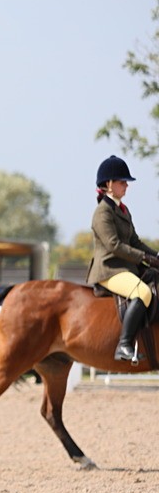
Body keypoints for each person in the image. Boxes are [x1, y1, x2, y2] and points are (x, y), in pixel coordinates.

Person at [88, 155, 159, 361]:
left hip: (126, 268)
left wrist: (155, 256)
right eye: (122, 182)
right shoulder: (102, 213)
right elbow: (114, 245)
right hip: (109, 269)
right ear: (108, 184)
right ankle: (124, 345)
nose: (126, 185)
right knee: (143, 293)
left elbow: (134, 241)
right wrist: (145, 258)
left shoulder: (123, 210)